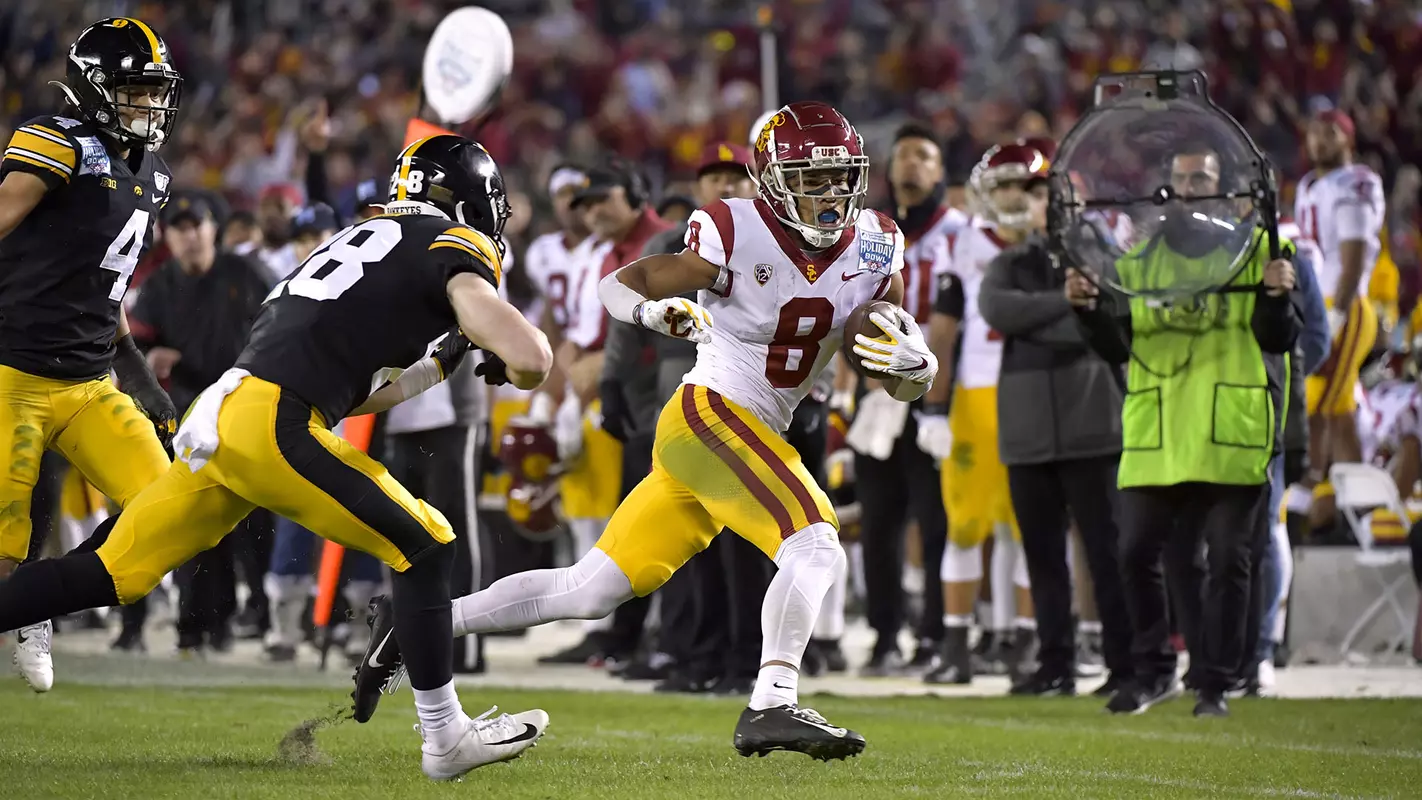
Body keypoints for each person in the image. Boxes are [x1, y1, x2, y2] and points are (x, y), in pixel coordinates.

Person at [358, 101, 940, 760]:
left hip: (739, 435)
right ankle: (773, 703)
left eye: (841, 178)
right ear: (774, 179)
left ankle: (416, 623)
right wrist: (653, 311)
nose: (830, 194)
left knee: (590, 589)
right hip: (712, 412)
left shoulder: (876, 243)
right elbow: (619, 284)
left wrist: (918, 368)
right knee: (816, 544)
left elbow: (889, 361)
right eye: (812, 177)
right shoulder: (734, 227)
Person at [0, 135, 554, 780]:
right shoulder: (451, 242)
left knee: (112, 571)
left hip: (228, 412)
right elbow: (534, 357)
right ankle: (444, 735)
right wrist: (512, 354)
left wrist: (445, 360)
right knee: (427, 544)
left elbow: (363, 398)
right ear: (463, 200)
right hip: (276, 422)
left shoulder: (359, 237)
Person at [1067, 144, 1301, 717]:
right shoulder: (1138, 261)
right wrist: (1091, 310)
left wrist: (1276, 296)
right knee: (1135, 553)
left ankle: (1216, 682)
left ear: (1226, 189)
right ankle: (1153, 672)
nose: (1190, 188)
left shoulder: (1263, 252)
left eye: (1203, 178)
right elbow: (1116, 347)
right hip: (1160, 430)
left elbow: (1279, 340)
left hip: (1229, 431)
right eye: (1180, 179)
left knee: (1228, 558)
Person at [0, 17, 181, 691]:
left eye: (154, 91)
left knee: (169, 508)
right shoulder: (57, 141)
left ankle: (41, 600)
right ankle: (24, 594)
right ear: (97, 88)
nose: (149, 104)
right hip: (12, 374)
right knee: (3, 548)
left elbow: (108, 289)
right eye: (135, 91)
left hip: (88, 384)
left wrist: (138, 376)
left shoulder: (153, 174)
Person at [601, 141, 781, 694]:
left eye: (735, 176)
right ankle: (693, 653)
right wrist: (614, 385)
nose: (725, 186)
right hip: (679, 405)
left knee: (747, 544)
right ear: (698, 186)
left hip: (753, 403)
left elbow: (812, 320)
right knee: (688, 543)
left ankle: (745, 657)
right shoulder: (671, 242)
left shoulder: (778, 242)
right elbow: (626, 313)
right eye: (713, 177)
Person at [976, 141, 1135, 697]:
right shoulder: (1007, 262)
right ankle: (1055, 665)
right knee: (1043, 559)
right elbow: (996, 309)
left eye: (1042, 193)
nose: (1033, 202)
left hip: (1091, 423)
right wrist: (1066, 305)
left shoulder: (1099, 253)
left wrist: (1044, 316)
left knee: (1106, 556)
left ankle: (1125, 665)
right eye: (1029, 194)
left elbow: (1102, 323)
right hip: (1028, 433)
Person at [127, 193, 274, 655]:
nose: (190, 235)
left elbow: (279, 329)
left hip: (247, 410)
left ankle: (254, 617)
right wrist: (153, 361)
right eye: (180, 227)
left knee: (252, 526)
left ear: (214, 228)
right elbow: (134, 346)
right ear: (167, 236)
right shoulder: (159, 285)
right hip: (188, 419)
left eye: (198, 225)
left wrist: (182, 359)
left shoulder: (247, 274)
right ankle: (193, 623)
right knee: (194, 523)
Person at [921, 143, 1039, 685]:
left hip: (1038, 393)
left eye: (1026, 185)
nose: (1015, 196)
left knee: (1029, 528)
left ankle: (1026, 646)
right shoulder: (961, 242)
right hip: (976, 396)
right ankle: (958, 646)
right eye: (1006, 185)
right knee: (965, 528)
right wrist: (935, 409)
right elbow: (943, 332)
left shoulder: (1056, 241)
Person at [856, 122, 965, 674]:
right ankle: (883, 632)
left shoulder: (959, 230)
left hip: (934, 393)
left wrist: (939, 397)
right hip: (875, 389)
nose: (912, 165)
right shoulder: (867, 232)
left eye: (924, 155)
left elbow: (958, 319)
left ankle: (935, 633)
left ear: (940, 170)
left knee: (936, 518)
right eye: (903, 155)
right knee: (879, 522)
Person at [1294, 111, 1386, 524]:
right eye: (1314, 132)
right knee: (1340, 410)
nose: (1319, 141)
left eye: (1329, 132)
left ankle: (1315, 500)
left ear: (1348, 139)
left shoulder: (1356, 181)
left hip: (1343, 307)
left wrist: (1335, 313)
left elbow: (1351, 256)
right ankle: (1360, 510)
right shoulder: (1308, 185)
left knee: (1316, 407)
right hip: (1318, 304)